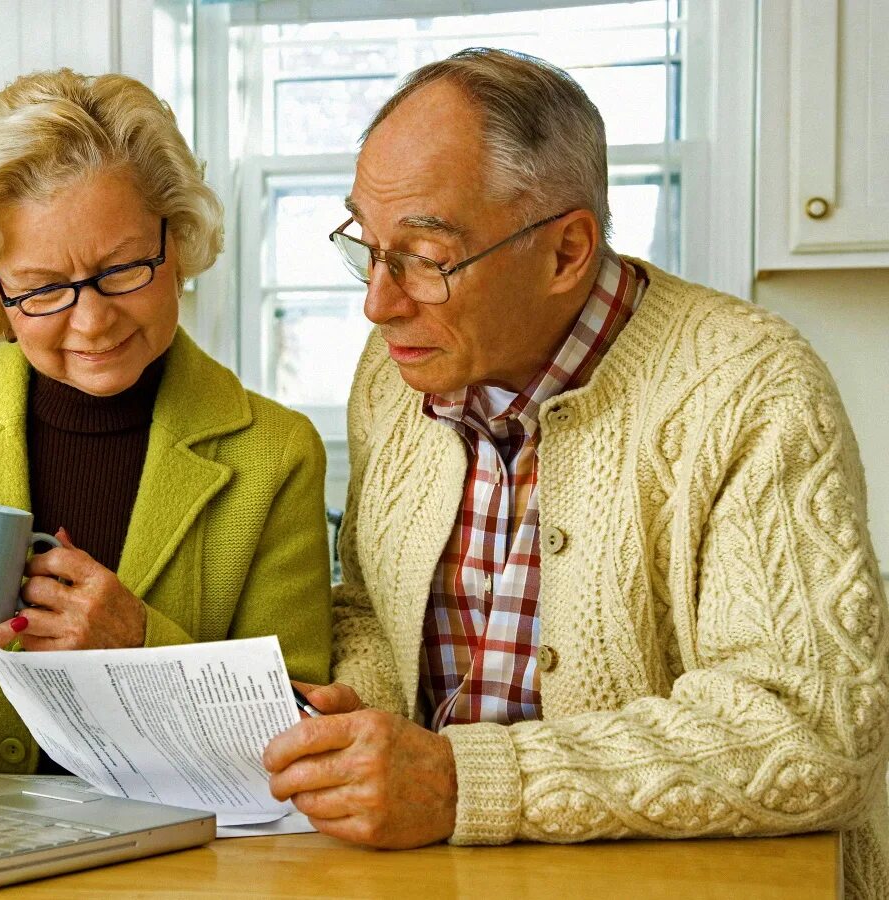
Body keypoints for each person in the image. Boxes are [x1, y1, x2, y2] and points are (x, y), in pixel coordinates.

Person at [262, 48, 889, 897]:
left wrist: (460, 782)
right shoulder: (394, 370)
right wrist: (361, 721)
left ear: (565, 252)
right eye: (367, 247)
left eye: (425, 257)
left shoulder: (752, 385)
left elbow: (811, 733)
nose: (379, 303)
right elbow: (373, 605)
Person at [0, 69, 332, 777]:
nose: (92, 321)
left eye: (122, 270)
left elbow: (303, 731)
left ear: (176, 238)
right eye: (43, 289)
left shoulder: (276, 454)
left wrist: (140, 645)